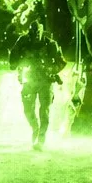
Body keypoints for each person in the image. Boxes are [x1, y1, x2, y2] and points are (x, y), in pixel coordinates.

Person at [18, 17, 64, 151]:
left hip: (45, 81)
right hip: (30, 80)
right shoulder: (24, 42)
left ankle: (41, 139)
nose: (35, 36)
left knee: (44, 111)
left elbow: (61, 62)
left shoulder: (50, 44)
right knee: (28, 109)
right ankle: (35, 128)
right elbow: (15, 58)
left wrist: (51, 70)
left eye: (37, 33)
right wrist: (19, 67)